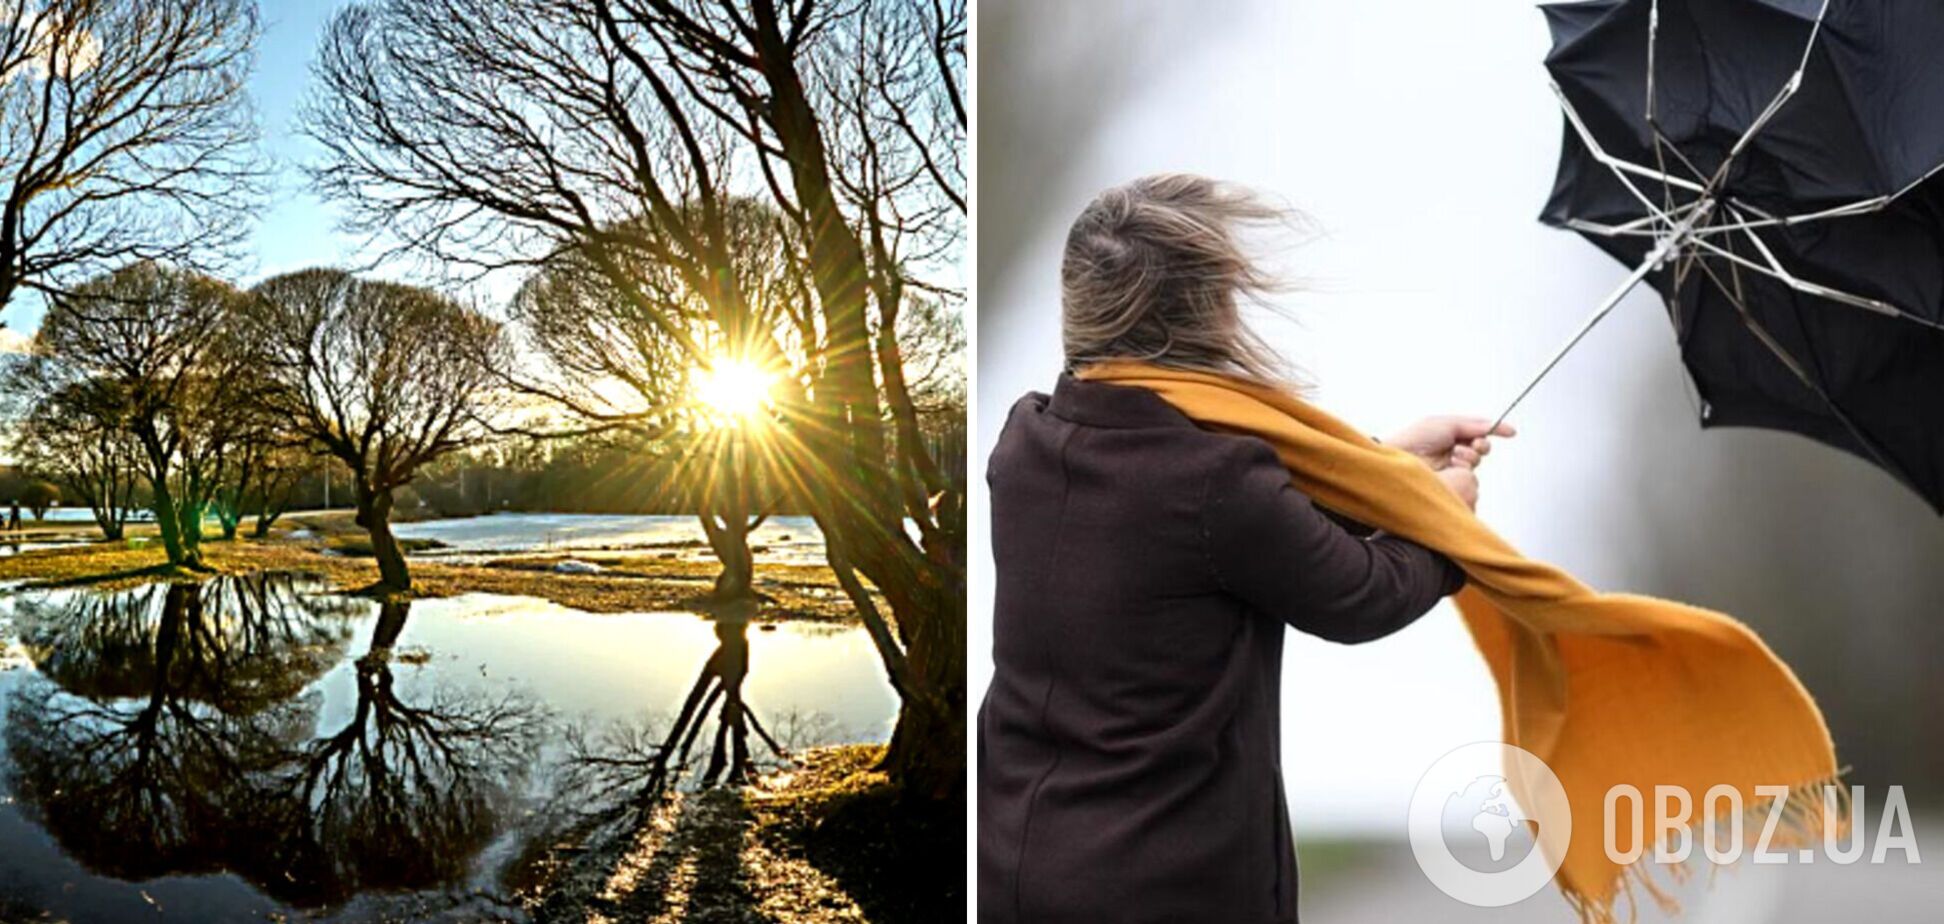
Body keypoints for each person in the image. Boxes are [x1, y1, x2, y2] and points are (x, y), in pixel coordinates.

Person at [977, 174, 1512, 923]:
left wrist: (1388, 468)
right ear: (1207, 314)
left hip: (1017, 869)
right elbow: (1361, 592)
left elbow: (1238, 526)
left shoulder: (1026, 443)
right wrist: (1443, 520)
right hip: (1168, 888)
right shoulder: (1215, 482)